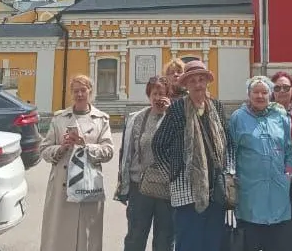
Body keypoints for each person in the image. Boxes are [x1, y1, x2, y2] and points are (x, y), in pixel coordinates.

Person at [152, 60, 234, 251]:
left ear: (207, 82)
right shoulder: (177, 109)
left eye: (201, 79)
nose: (198, 85)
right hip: (186, 191)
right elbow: (158, 145)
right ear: (186, 85)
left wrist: (228, 172)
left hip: (216, 191)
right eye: (193, 81)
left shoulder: (217, 107)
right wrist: (173, 173)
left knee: (213, 243)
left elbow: (229, 143)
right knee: (189, 243)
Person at [39, 75, 114, 251]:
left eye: (83, 90)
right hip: (62, 184)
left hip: (88, 183)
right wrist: (61, 148)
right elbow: (44, 149)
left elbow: (108, 151)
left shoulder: (101, 119)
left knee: (87, 233)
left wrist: (85, 146)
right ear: (71, 94)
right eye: (76, 91)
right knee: (59, 233)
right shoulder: (59, 119)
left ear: (90, 92)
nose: (80, 94)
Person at [230, 76, 292, 251]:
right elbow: (230, 152)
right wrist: (232, 178)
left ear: (270, 94)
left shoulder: (280, 117)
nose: (260, 96)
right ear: (248, 94)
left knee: (276, 245)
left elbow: (290, 150)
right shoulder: (238, 118)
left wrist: (288, 173)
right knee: (250, 243)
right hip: (250, 194)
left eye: (264, 92)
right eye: (256, 92)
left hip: (278, 194)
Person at [116, 76, 174, 251]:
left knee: (164, 239)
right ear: (149, 95)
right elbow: (127, 153)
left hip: (167, 190)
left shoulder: (176, 118)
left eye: (162, 94)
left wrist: (172, 114)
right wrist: (123, 186)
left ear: (169, 96)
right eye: (154, 93)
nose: (158, 98)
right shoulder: (137, 118)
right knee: (135, 236)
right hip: (140, 188)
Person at [271, 71, 292, 250]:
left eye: (286, 87)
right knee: (274, 227)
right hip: (273, 176)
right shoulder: (266, 112)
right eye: (277, 88)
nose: (282, 91)